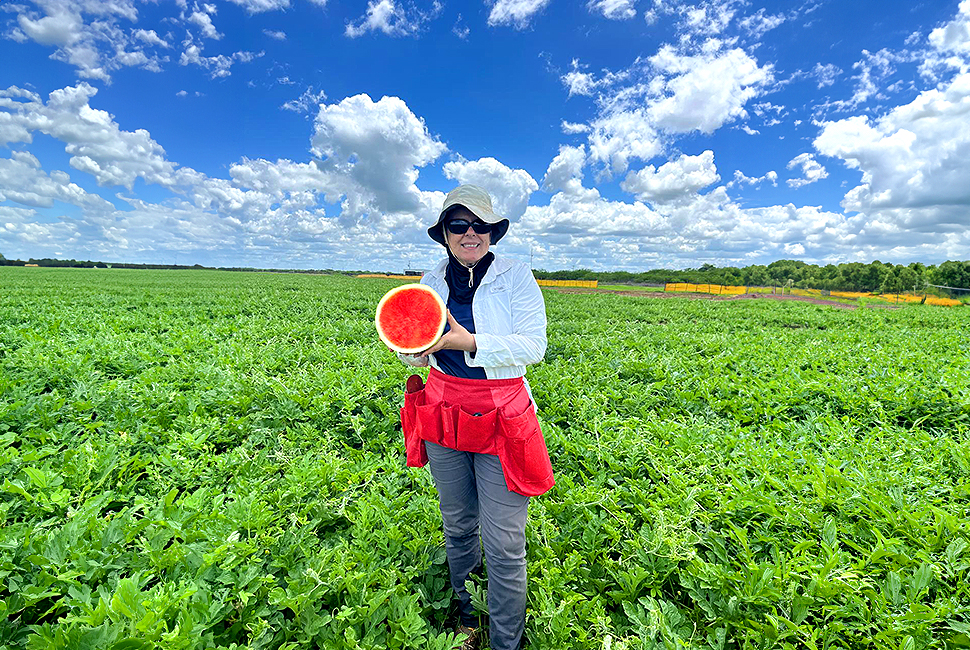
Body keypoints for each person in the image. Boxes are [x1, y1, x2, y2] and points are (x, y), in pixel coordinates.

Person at [395, 184, 554, 650]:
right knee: (458, 523)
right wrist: (409, 346)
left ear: (492, 232)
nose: (470, 234)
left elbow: (533, 346)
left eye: (479, 226)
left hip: (502, 409)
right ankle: (467, 620)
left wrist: (469, 342)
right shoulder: (430, 280)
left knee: (504, 541)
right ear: (444, 233)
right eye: (458, 225)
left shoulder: (516, 275)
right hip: (444, 408)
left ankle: (507, 640)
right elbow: (419, 359)